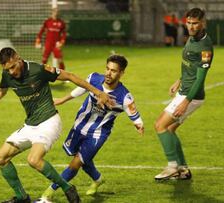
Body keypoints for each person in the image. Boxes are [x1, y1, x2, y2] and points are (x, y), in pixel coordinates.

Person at [0, 47, 114, 203]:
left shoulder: (38, 69)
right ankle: (22, 197)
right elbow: (0, 91)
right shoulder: (7, 75)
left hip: (49, 121)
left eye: (12, 67)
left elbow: (69, 76)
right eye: (7, 70)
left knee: (33, 160)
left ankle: (67, 188)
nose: (11, 73)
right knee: (0, 157)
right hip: (30, 125)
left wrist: (98, 92)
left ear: (18, 58)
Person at [39, 55, 144, 201]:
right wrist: (62, 100)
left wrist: (138, 124)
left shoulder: (124, 96)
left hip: (98, 133)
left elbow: (134, 113)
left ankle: (48, 194)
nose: (108, 73)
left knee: (76, 163)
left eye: (113, 71)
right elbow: (80, 89)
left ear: (121, 73)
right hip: (80, 125)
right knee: (83, 160)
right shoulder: (93, 79)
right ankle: (98, 179)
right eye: (107, 68)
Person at [154, 8, 214, 181]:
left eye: (195, 23)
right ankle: (183, 170)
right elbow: (190, 67)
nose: (191, 26)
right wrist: (179, 80)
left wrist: (185, 101)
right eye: (189, 22)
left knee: (160, 125)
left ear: (203, 23)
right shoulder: (193, 39)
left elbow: (200, 78)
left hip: (191, 95)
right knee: (170, 129)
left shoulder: (205, 47)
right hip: (185, 90)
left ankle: (172, 166)